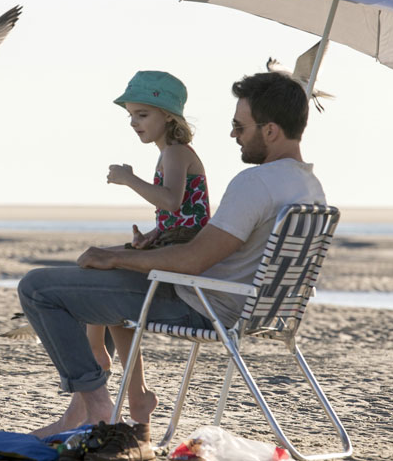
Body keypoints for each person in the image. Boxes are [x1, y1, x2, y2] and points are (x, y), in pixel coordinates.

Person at [17, 72, 325, 456]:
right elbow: (217, 247)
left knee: (37, 288)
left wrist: (116, 255)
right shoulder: (310, 187)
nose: (233, 135)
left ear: (272, 130)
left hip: (202, 304)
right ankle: (116, 402)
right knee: (111, 276)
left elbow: (192, 260)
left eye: (239, 126)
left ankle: (96, 408)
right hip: (248, 306)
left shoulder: (256, 183)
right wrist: (140, 250)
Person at [86, 70, 211, 378]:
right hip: (172, 241)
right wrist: (154, 234)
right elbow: (183, 210)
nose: (134, 122)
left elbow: (170, 200)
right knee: (95, 265)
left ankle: (97, 351)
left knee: (94, 263)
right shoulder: (169, 154)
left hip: (182, 251)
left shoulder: (176, 152)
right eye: (130, 115)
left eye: (142, 114)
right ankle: (118, 366)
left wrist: (129, 179)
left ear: (168, 116)